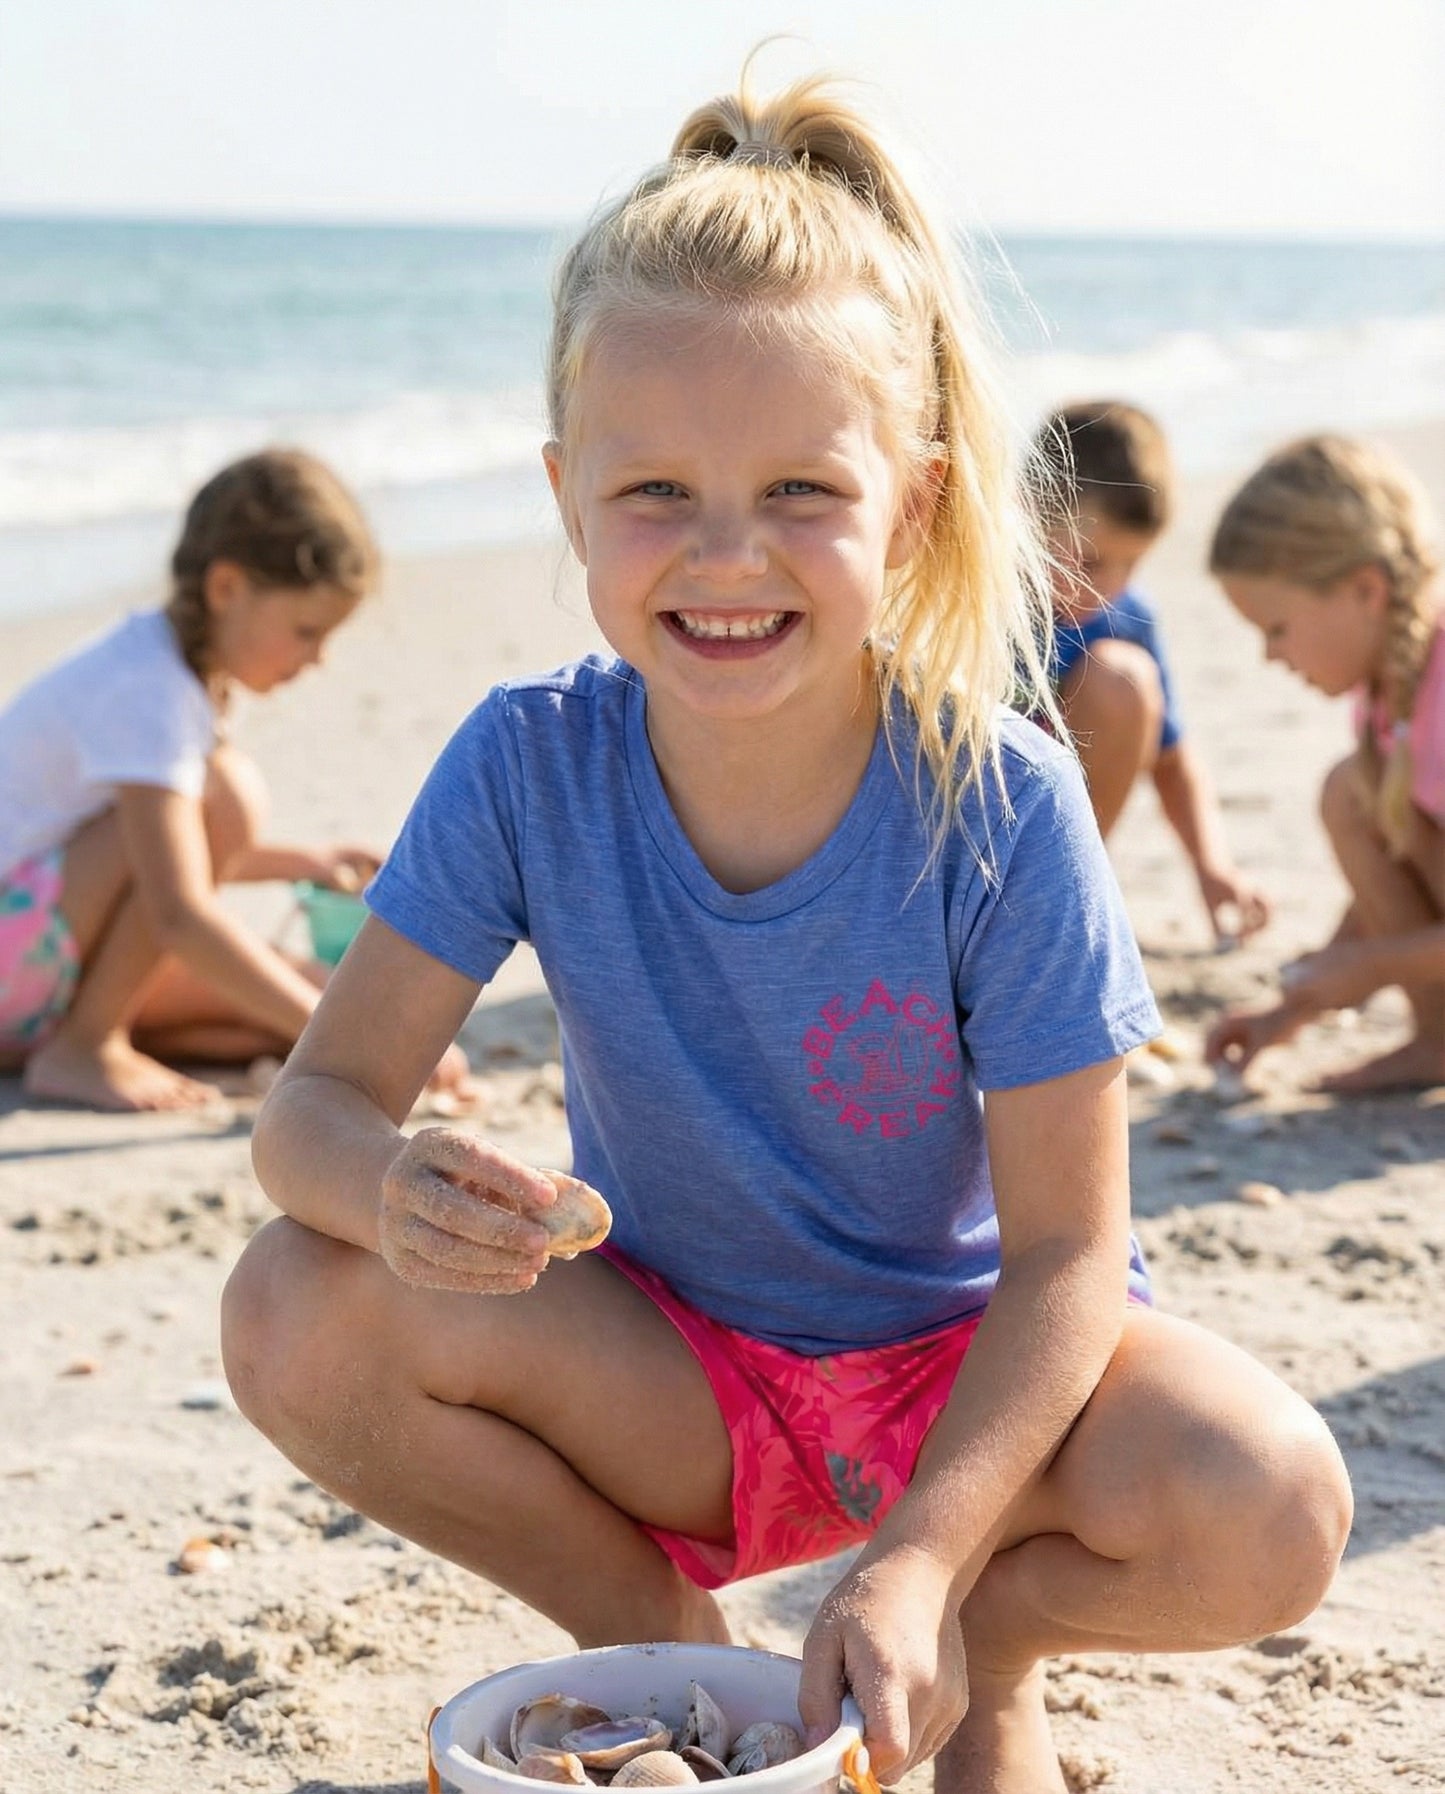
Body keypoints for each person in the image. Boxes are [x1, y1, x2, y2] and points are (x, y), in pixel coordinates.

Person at [221, 75, 1351, 1794]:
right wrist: (388, 1186)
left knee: (1275, 1498)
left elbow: (1064, 1257)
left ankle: (978, 1630)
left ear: (909, 500)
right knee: (293, 1304)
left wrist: (924, 1550)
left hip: (977, 1391)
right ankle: (666, 1629)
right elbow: (308, 1112)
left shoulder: (1000, 801)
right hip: (676, 1374)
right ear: (564, 490)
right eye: (656, 490)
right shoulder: (529, 762)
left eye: (802, 490)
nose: (725, 553)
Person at [0, 447, 476, 1112]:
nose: (318, 658)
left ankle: (88, 1037)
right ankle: (86, 1045)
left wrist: (299, 862)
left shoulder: (173, 674)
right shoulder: (147, 691)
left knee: (280, 1004)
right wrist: (350, 1047)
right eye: (306, 630)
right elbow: (178, 912)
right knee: (228, 798)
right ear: (227, 588)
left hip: (34, 958)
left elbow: (157, 859)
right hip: (14, 956)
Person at [1204, 434, 1444, 1093]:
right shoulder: (1389, 692)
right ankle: (1437, 1041)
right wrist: (1287, 1013)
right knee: (1351, 791)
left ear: (1365, 590)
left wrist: (1374, 968)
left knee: (1350, 789)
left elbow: (1377, 948)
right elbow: (1391, 880)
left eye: (1275, 629)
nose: (1269, 656)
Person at [1035, 400, 1270, 945]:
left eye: (1131, 564)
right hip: (951, 829)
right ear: (1027, 509)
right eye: (1089, 561)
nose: (1106, 586)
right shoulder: (972, 601)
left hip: (1047, 837)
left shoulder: (1123, 616)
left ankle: (1064, 889)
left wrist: (1212, 869)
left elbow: (1172, 758)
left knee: (1125, 678)